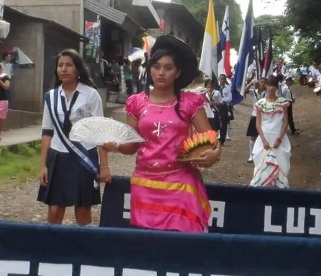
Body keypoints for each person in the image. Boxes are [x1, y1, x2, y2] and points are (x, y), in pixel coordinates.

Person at [104, 35, 219, 232]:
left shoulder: (190, 102)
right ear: (150, 69)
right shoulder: (136, 102)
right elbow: (132, 146)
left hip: (180, 183)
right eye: (157, 67)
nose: (161, 73)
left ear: (178, 72)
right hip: (144, 184)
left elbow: (211, 139)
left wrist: (215, 154)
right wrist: (114, 146)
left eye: (168, 68)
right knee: (148, 248)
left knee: (181, 246)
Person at [38, 49, 106, 225]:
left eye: (69, 65)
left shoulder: (90, 95)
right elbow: (47, 132)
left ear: (78, 69)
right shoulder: (51, 97)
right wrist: (43, 165)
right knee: (54, 210)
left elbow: (100, 132)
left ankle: (84, 249)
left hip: (84, 156)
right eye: (60, 65)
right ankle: (54, 250)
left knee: (82, 209)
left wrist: (104, 166)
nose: (64, 69)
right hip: (58, 156)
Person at [251, 75, 292, 188]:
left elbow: (285, 122)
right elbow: (258, 124)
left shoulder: (283, 102)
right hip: (264, 137)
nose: (271, 88)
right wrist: (263, 140)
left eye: (273, 85)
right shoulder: (261, 103)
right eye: (269, 85)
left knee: (280, 165)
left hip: (279, 137)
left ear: (276, 87)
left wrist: (279, 138)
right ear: (266, 86)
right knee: (262, 165)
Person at [217, 74, 233, 143]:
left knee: (224, 122)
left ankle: (222, 138)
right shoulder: (216, 87)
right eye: (221, 79)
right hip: (216, 106)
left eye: (224, 79)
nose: (222, 80)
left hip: (224, 106)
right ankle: (217, 135)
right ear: (219, 79)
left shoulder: (228, 88)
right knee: (216, 121)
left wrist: (221, 99)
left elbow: (229, 98)